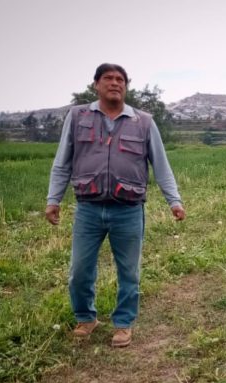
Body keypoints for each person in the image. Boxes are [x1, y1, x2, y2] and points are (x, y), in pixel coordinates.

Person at [45, 63, 185, 348]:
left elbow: (162, 166)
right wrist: (53, 199)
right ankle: (86, 317)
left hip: (128, 210)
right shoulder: (78, 116)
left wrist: (174, 200)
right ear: (96, 84)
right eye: (108, 78)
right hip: (88, 209)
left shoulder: (143, 121)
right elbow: (62, 163)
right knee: (79, 271)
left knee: (129, 272)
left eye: (120, 79)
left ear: (126, 86)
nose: (115, 83)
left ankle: (123, 324)